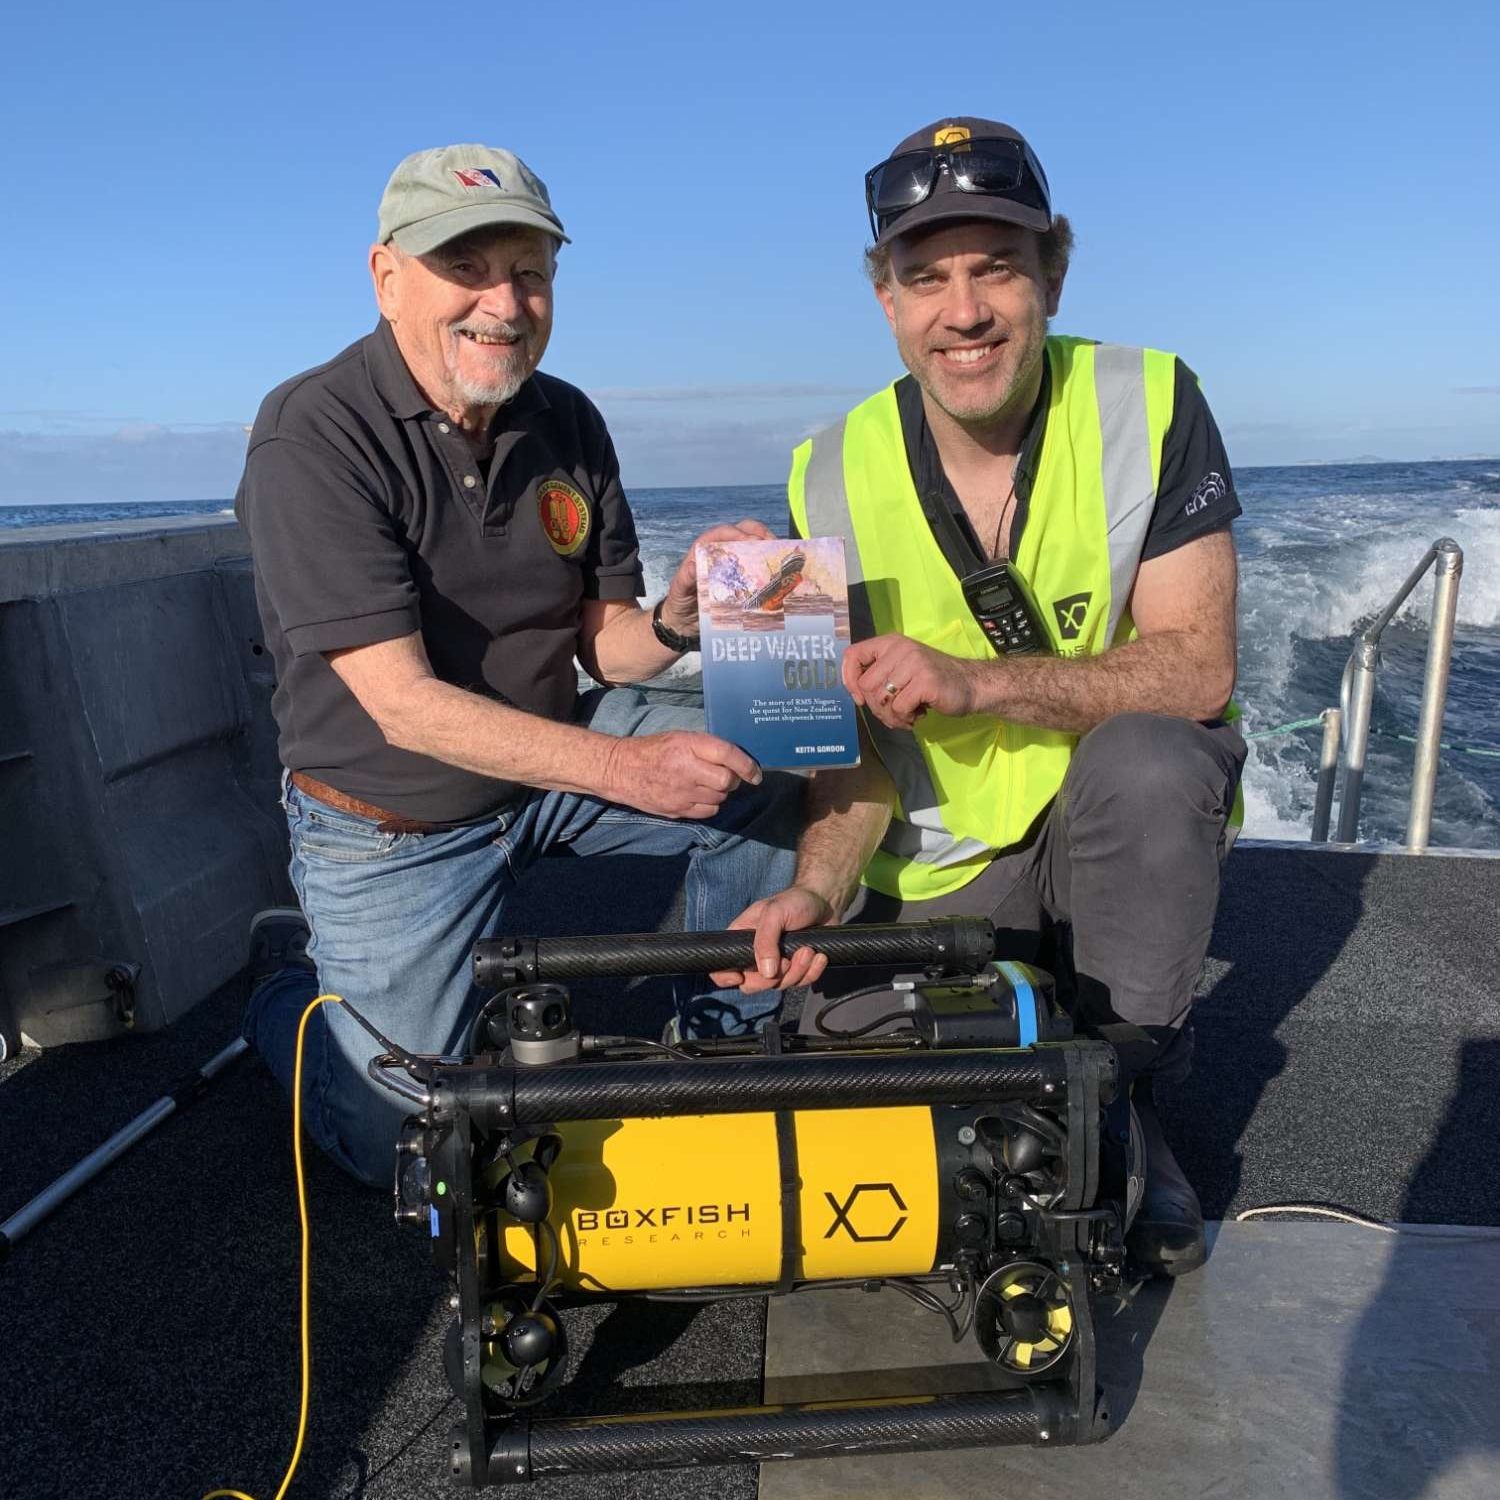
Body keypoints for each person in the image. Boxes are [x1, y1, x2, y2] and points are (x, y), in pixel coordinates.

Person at [718, 118, 1246, 1276]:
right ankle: (1028, 1019)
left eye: (996, 267)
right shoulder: (825, 469)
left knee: (1161, 758)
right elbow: (838, 749)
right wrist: (811, 888)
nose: (963, 311)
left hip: (1102, 831)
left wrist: (978, 681)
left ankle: (1125, 1094)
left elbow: (1200, 667)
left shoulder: (1150, 400)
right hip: (937, 870)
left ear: (1053, 270)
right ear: (887, 299)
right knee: (836, 1076)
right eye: (926, 278)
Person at [236, 144, 798, 1188]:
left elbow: (602, 640)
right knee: (405, 1150)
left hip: (549, 772)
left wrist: (676, 621)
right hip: (391, 824)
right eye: (467, 266)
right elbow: (403, 708)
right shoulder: (312, 434)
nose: (504, 302)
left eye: (530, 271)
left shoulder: (567, 417)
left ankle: (723, 1043)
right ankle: (285, 995)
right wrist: (634, 773)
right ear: (386, 275)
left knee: (767, 775)